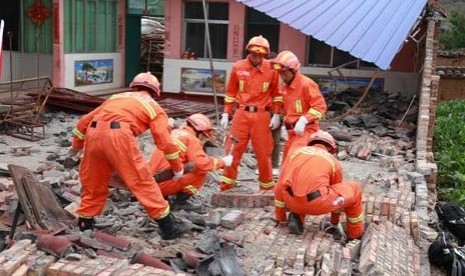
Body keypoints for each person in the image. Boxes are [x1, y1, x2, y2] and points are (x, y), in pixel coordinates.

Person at [68, 72, 189, 240]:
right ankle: (168, 228)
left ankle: (84, 225)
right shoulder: (154, 107)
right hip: (120, 137)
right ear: (155, 92)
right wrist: (177, 168)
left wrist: (76, 146)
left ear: (134, 86)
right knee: (141, 180)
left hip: (94, 135)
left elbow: (83, 123)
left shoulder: (116, 98)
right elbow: (165, 142)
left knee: (93, 181)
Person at [274, 130, 364, 240]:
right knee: (355, 189)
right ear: (330, 148)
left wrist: (280, 218)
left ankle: (297, 216)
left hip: (291, 200)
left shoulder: (296, 153)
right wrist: (334, 221)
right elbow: (337, 193)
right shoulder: (332, 161)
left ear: (311, 143)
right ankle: (355, 234)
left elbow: (280, 185)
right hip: (316, 203)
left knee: (298, 184)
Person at [219, 35, 283, 192]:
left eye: (261, 55)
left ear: (265, 55)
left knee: (264, 153)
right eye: (255, 54)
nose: (257, 58)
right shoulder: (238, 67)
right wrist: (226, 113)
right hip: (241, 114)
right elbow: (230, 92)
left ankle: (266, 188)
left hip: (261, 116)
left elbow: (277, 94)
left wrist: (276, 114)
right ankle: (227, 186)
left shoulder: (272, 69)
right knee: (233, 150)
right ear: (249, 52)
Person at [148, 113, 233, 212]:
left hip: (150, 184)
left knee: (186, 167)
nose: (202, 139)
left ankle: (165, 197)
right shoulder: (191, 139)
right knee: (200, 172)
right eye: (203, 136)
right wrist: (223, 162)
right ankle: (180, 202)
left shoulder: (174, 133)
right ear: (199, 132)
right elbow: (201, 164)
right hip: (161, 186)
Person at [271, 51, 327, 163]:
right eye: (280, 73)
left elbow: (320, 107)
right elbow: (285, 106)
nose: (282, 76)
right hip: (292, 133)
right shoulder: (285, 86)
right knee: (286, 165)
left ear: (293, 70)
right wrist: (277, 115)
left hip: (305, 131)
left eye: (284, 73)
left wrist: (304, 119)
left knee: (294, 163)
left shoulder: (306, 84)